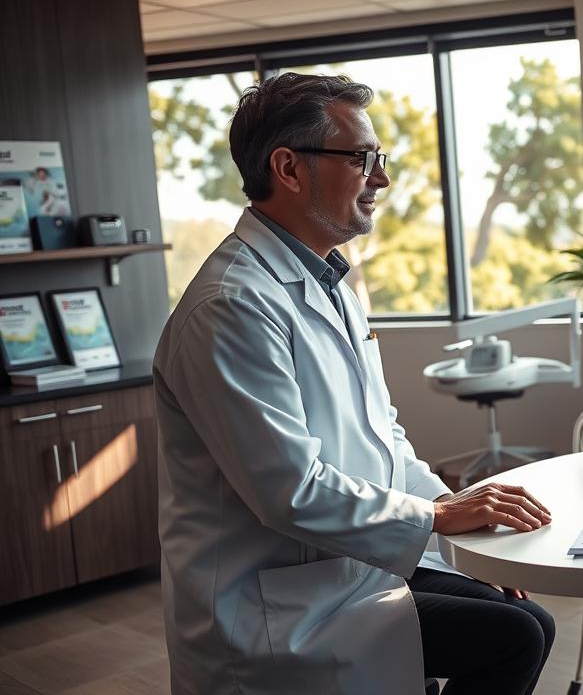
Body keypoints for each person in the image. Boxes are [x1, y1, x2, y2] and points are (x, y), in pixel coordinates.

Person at [154, 72, 555, 695]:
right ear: (288, 168)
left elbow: (382, 438)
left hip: (351, 565)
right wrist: (436, 518)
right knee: (514, 639)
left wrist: (461, 522)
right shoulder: (230, 306)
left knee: (528, 619)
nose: (383, 178)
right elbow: (289, 489)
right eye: (363, 159)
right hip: (277, 604)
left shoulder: (329, 281)